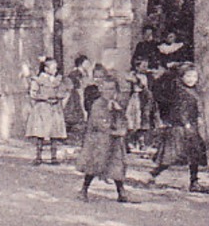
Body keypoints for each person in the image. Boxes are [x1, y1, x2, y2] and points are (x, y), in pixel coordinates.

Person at [149, 64, 209, 192]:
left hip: (191, 127)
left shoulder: (194, 90)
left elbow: (196, 106)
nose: (191, 79)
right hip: (180, 128)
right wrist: (185, 122)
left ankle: (194, 182)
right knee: (171, 156)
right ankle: (155, 173)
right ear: (181, 77)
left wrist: (198, 117)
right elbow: (179, 109)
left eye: (194, 76)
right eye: (188, 76)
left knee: (195, 154)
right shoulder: (180, 91)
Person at [77, 67, 131, 203]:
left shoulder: (116, 104)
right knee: (95, 165)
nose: (109, 92)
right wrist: (111, 130)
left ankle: (121, 192)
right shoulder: (98, 104)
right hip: (99, 141)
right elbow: (97, 121)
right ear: (101, 90)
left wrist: (120, 117)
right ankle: (84, 189)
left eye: (112, 89)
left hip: (114, 140)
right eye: (106, 89)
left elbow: (123, 120)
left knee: (117, 165)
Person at [26, 57, 68, 165]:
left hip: (54, 108)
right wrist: (44, 97)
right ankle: (38, 156)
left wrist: (59, 95)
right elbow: (33, 94)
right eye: (53, 68)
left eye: (56, 68)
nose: (55, 70)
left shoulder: (58, 80)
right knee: (40, 132)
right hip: (42, 107)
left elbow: (63, 91)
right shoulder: (38, 80)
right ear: (46, 68)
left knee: (54, 132)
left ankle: (53, 157)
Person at [64, 54, 95, 141]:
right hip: (76, 96)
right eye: (86, 63)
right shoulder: (76, 74)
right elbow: (80, 87)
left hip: (82, 95)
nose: (89, 65)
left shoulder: (83, 73)